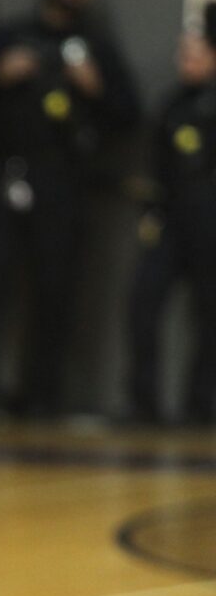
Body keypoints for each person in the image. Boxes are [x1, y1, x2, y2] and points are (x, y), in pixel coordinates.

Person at [0, 0, 138, 419]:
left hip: (62, 180)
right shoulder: (10, 34)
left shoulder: (96, 45)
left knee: (54, 287)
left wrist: (93, 87)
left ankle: (43, 395)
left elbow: (128, 112)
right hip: (5, 171)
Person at [128, 29, 216, 426]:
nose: (188, 62)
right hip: (170, 221)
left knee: (209, 315)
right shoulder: (171, 104)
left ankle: (202, 403)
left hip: (209, 226)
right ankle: (144, 402)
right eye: (184, 55)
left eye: (196, 55)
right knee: (143, 305)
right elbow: (156, 166)